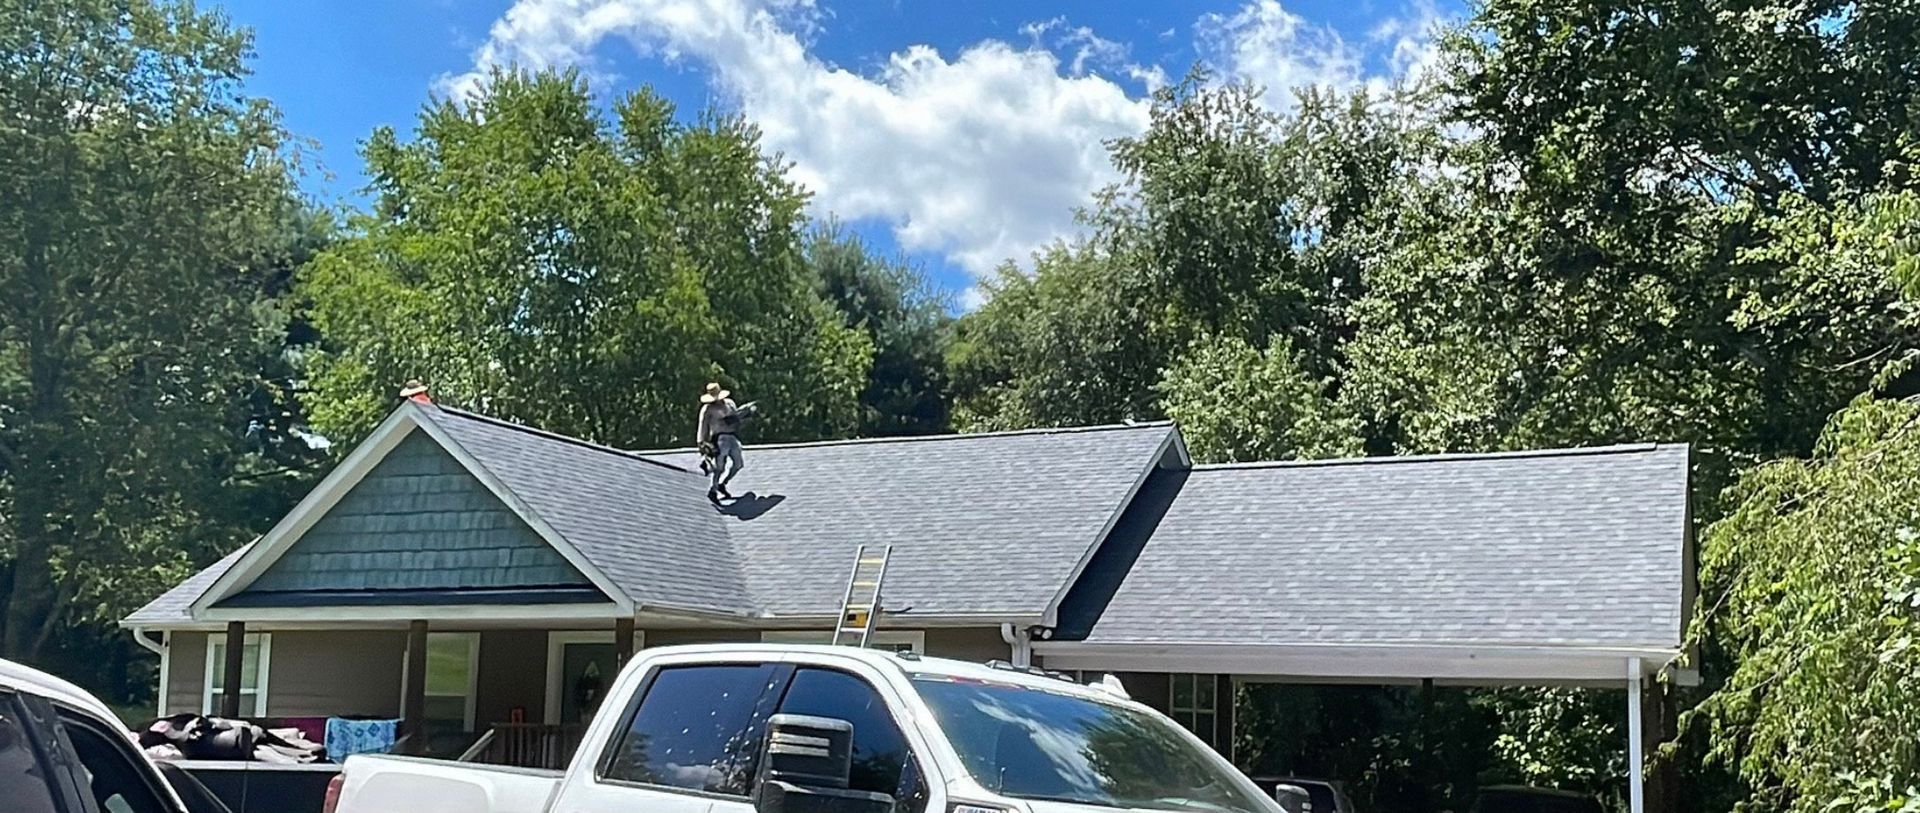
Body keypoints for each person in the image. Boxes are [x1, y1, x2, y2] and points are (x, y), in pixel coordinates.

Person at [697, 382, 744, 501]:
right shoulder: (707, 409)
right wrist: (702, 442)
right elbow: (703, 426)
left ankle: (723, 484)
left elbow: (737, 416)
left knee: (738, 464)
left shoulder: (730, 403)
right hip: (719, 438)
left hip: (732, 436)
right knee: (719, 466)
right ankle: (713, 488)